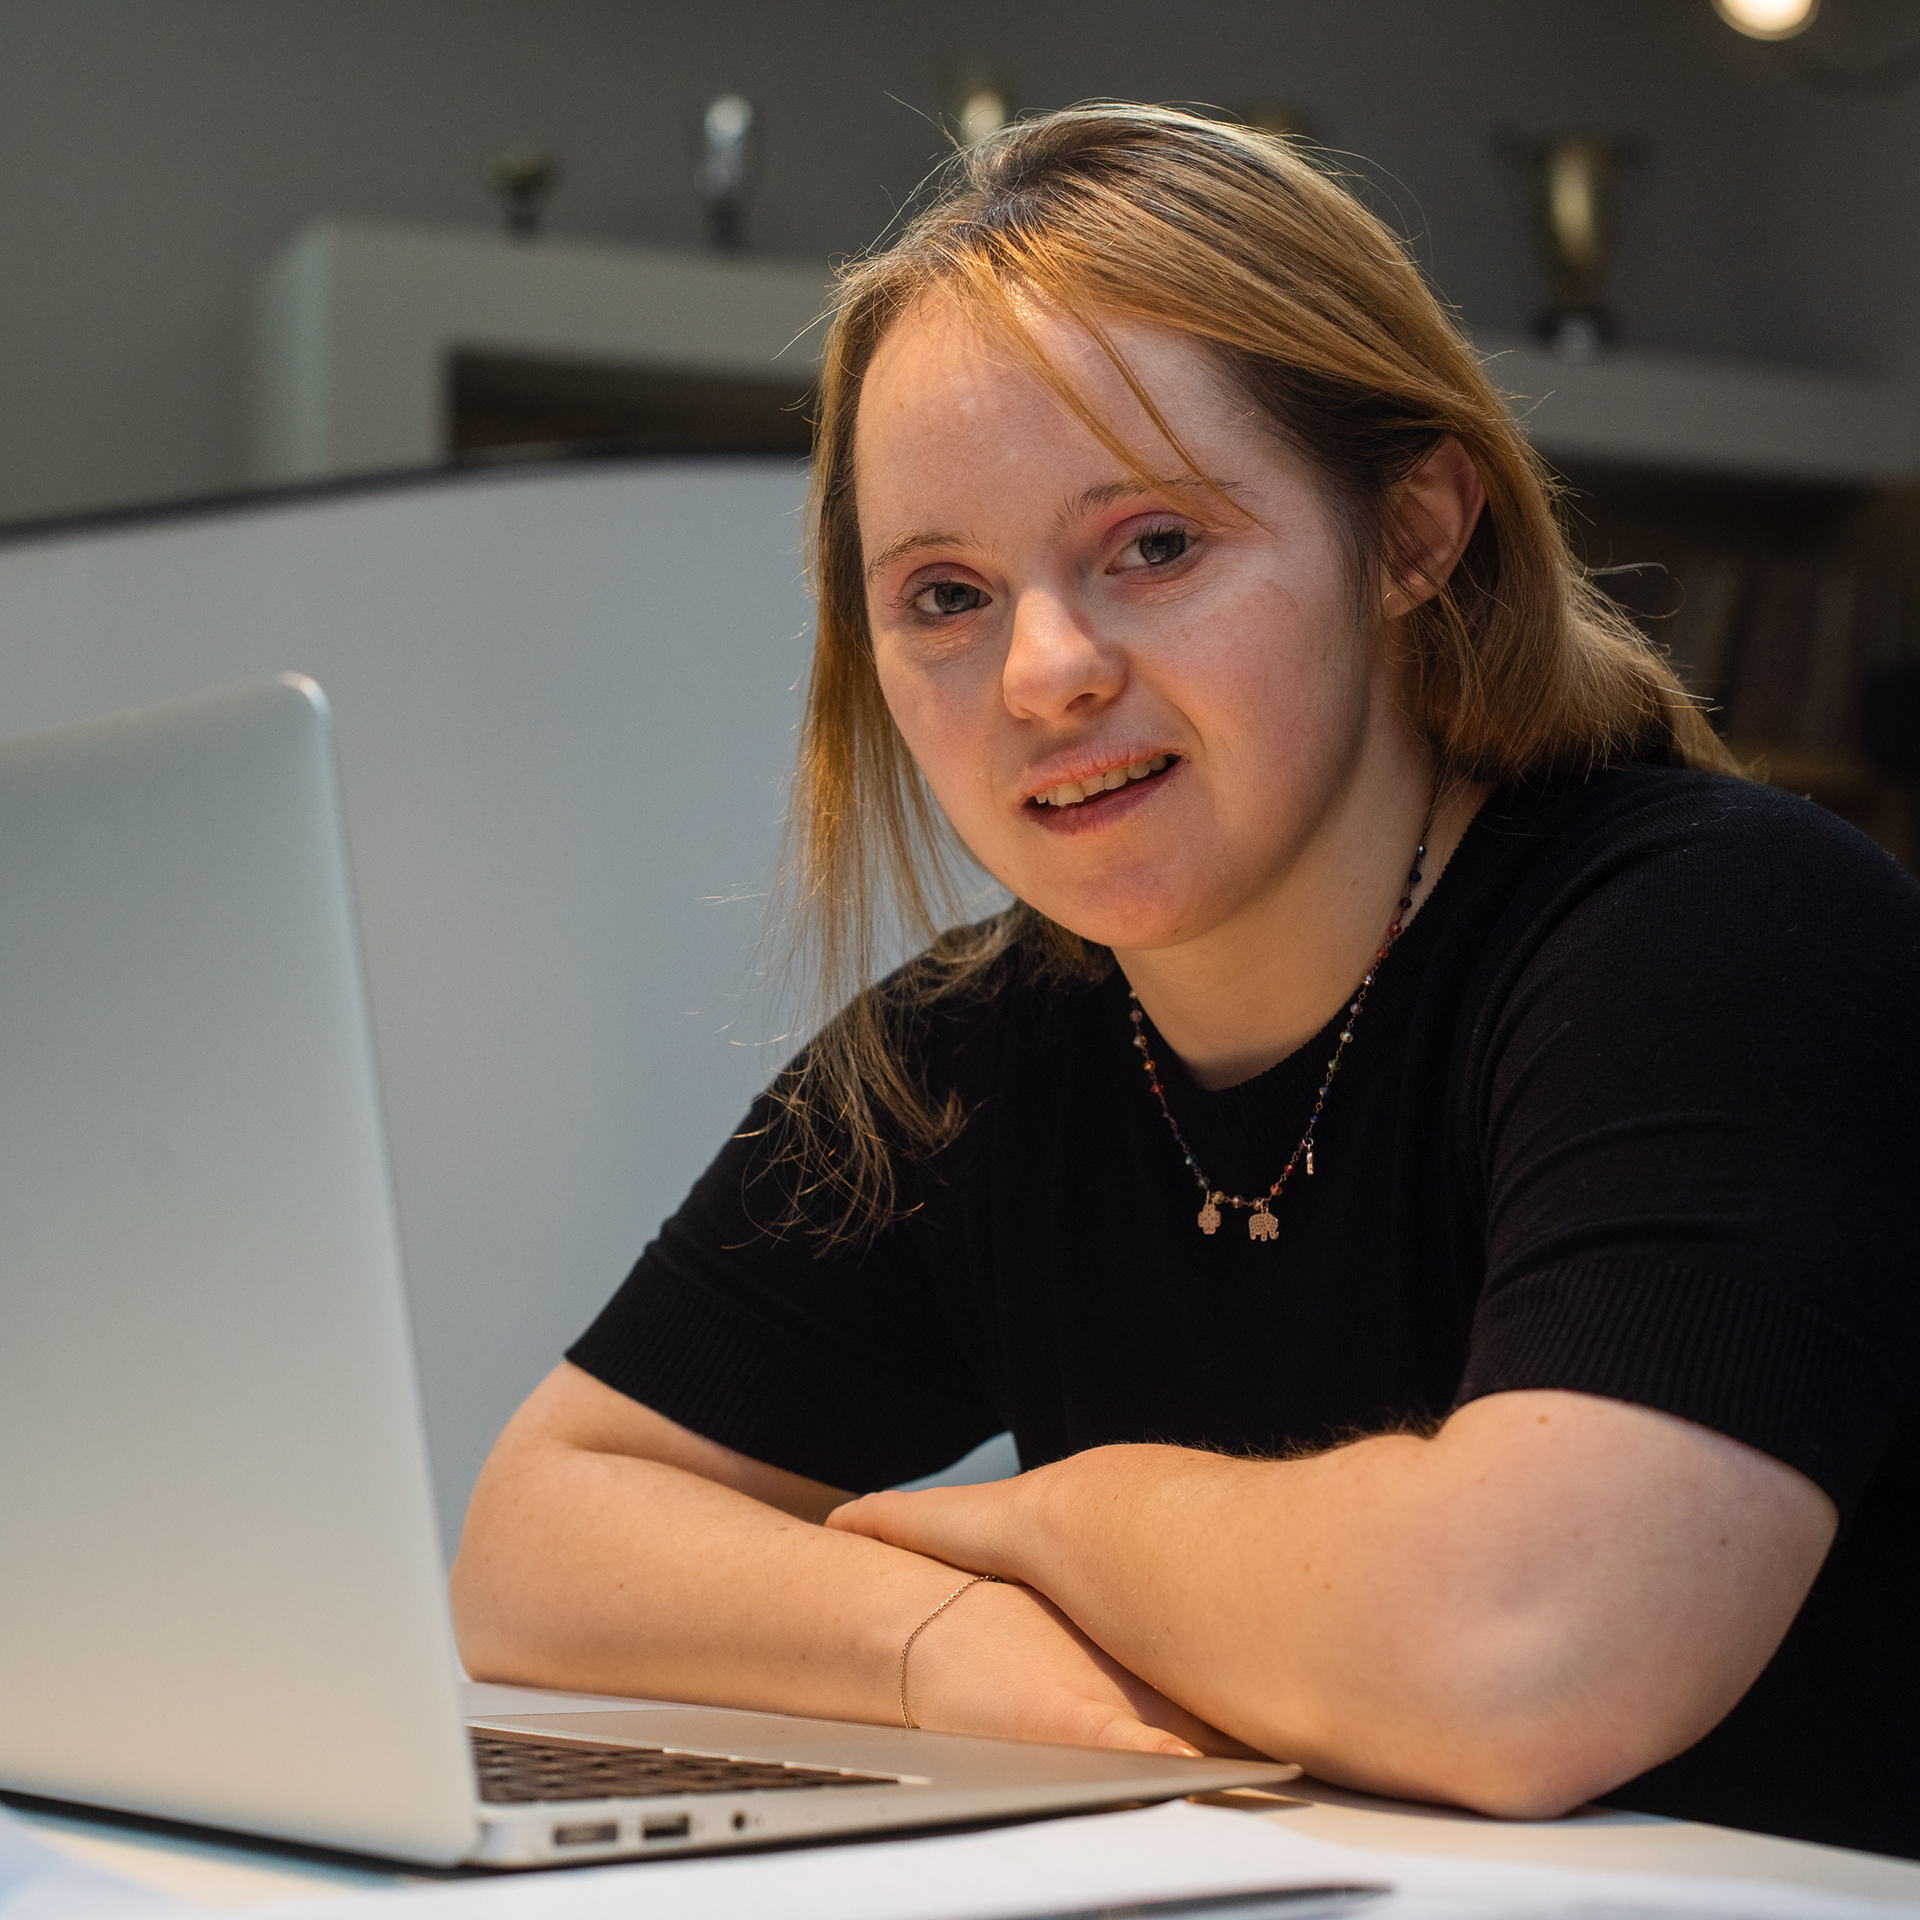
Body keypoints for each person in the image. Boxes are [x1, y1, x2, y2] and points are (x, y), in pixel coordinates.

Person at [449, 106, 1920, 1859]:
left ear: (1413, 532)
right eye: (944, 594)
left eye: (1154, 544)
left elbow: (1529, 1649)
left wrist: (1062, 1523)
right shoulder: (973, 1045)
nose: (1045, 672)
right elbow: (534, 1540)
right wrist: (939, 1637)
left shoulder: (1729, 929)